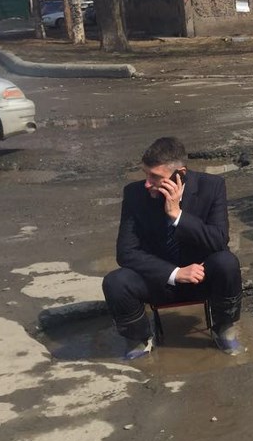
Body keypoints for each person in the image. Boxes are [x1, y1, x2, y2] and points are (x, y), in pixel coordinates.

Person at [103, 136, 243, 359]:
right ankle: (139, 338)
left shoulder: (212, 187)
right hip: (158, 280)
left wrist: (178, 215)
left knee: (227, 262)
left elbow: (219, 240)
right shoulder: (134, 194)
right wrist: (175, 273)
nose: (147, 182)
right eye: (145, 174)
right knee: (116, 282)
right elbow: (126, 252)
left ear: (181, 174)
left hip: (201, 277)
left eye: (155, 177)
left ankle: (224, 328)